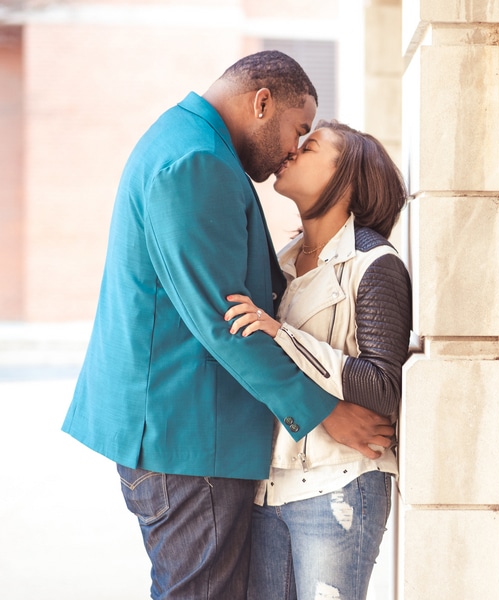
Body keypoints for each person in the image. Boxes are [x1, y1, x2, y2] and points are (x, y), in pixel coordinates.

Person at [62, 52, 394, 600]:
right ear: (262, 102)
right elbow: (224, 321)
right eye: (299, 129)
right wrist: (325, 412)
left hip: (186, 439)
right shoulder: (196, 162)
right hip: (188, 441)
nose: (294, 147)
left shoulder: (187, 144)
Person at [223, 120, 411, 600]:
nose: (292, 153)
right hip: (269, 488)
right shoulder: (277, 262)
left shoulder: (376, 264)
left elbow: (383, 385)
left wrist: (282, 335)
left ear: (348, 178)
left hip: (340, 487)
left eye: (310, 147)